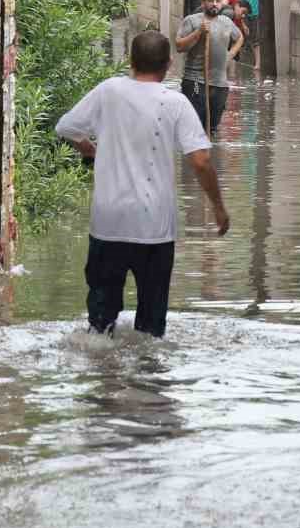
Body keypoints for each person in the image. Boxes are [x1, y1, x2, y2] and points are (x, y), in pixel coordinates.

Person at [55, 30, 230, 338]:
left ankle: (104, 377)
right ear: (168, 65)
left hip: (108, 222)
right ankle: (147, 379)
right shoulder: (175, 103)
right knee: (151, 326)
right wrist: (218, 207)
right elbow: (200, 161)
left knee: (100, 323)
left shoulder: (108, 91)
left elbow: (67, 127)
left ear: (130, 61)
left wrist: (90, 150)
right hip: (155, 227)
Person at [174, 0, 245, 133]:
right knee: (195, 127)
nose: (214, 4)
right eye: (210, 1)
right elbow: (179, 46)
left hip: (220, 83)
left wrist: (230, 55)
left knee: (212, 128)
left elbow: (239, 38)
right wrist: (198, 32)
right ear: (203, 3)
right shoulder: (192, 20)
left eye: (218, 1)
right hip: (195, 81)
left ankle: (211, 154)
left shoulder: (226, 21)